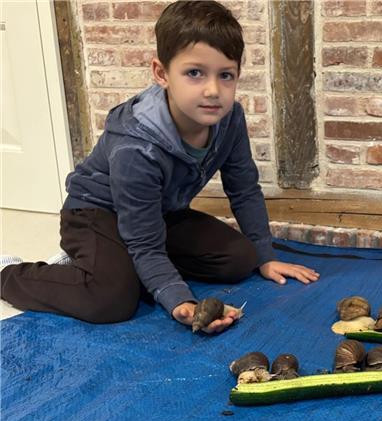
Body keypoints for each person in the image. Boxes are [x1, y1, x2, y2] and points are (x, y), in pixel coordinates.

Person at [0, 1, 318, 333]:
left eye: (226, 75)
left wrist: (265, 256)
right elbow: (144, 242)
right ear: (161, 73)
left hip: (158, 213)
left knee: (240, 258)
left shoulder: (230, 118)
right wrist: (178, 300)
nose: (213, 90)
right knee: (111, 299)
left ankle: (124, 265)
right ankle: (11, 274)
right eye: (194, 73)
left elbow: (244, 188)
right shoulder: (136, 146)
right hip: (95, 213)